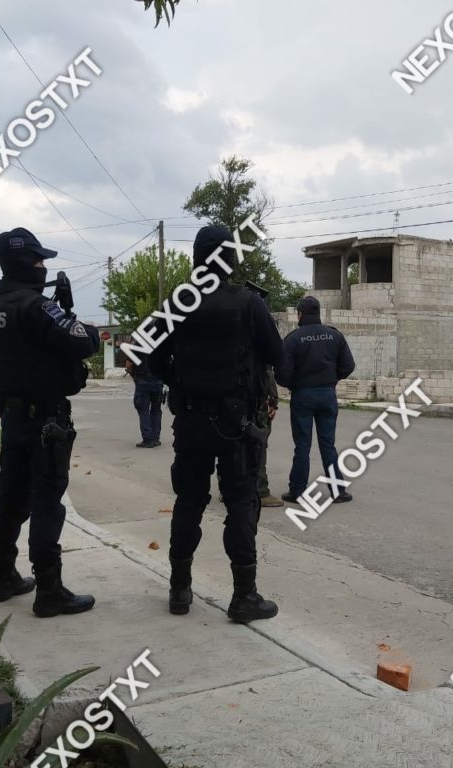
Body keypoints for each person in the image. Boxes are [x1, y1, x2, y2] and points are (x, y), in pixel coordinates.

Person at [150, 225, 284, 624]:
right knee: (241, 503)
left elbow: (151, 357)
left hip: (191, 420)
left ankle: (179, 589)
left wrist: (181, 382)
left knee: (188, 502)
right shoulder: (249, 303)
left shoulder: (177, 302)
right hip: (236, 424)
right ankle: (244, 597)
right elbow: (276, 354)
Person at [0, 227, 100, 617]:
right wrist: (79, 322)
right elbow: (82, 341)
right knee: (46, 502)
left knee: (10, 497)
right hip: (46, 418)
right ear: (28, 263)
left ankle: (3, 576)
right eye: (40, 260)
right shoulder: (35, 307)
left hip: (10, 416)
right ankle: (49, 590)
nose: (44, 267)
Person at [276, 296, 356, 505]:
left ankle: (297, 491)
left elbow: (282, 373)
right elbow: (348, 366)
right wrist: (332, 379)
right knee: (328, 444)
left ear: (300, 314)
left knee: (302, 445)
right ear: (318, 313)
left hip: (303, 395)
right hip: (327, 393)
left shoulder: (293, 339)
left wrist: (294, 384)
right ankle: (338, 491)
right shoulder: (334, 335)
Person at [255, 366, 283, 508]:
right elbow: (267, 371)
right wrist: (273, 401)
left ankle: (228, 489)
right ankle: (261, 492)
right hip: (255, 404)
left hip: (228, 402)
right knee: (258, 447)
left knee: (231, 444)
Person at [126, 352, 163, 448]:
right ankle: (155, 438)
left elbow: (129, 365)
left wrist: (134, 376)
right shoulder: (160, 346)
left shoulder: (138, 346)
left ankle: (148, 439)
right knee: (156, 410)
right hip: (157, 381)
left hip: (143, 381)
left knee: (143, 410)